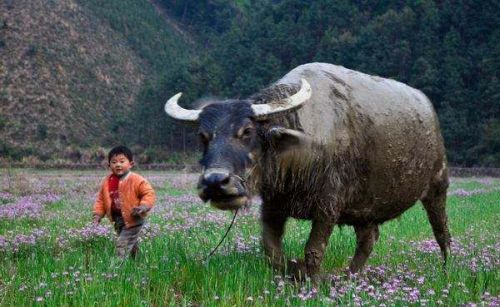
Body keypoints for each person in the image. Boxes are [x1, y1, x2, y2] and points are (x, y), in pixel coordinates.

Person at [92, 145, 156, 259]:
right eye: (114, 162)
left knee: (122, 244)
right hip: (118, 220)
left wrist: (144, 206)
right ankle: (137, 262)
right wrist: (97, 215)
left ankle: (118, 270)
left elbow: (148, 193)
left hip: (134, 218)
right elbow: (101, 200)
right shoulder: (107, 182)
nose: (118, 164)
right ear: (109, 165)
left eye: (122, 161)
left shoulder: (136, 179)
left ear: (131, 164)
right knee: (131, 244)